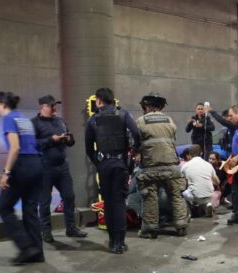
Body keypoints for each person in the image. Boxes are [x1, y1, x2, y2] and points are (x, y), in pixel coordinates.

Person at [85, 88, 141, 254]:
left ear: (99, 101)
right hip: (120, 163)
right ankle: (120, 242)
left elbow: (88, 147)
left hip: (104, 165)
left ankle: (112, 241)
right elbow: (136, 134)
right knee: (119, 202)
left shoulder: (93, 119)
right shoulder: (123, 114)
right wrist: (133, 152)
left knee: (108, 203)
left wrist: (98, 162)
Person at [0, 91, 45, 264]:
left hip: (22, 166)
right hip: (36, 165)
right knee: (30, 209)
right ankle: (37, 252)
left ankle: (26, 247)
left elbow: (15, 148)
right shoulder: (24, 118)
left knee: (4, 207)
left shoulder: (9, 119)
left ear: (2, 104)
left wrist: (6, 173)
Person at [31, 94, 87, 243]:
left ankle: (71, 228)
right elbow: (32, 144)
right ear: (42, 107)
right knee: (44, 202)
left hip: (62, 167)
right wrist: (51, 140)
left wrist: (69, 139)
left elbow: (70, 142)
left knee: (69, 197)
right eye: (51, 105)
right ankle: (46, 232)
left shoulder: (60, 121)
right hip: (44, 168)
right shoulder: (34, 123)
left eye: (55, 105)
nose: (55, 108)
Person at [134, 92, 188, 239]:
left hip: (151, 167)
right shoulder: (169, 120)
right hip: (171, 166)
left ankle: (150, 230)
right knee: (176, 195)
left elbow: (135, 142)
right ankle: (181, 226)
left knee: (150, 197)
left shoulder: (140, 121)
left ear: (146, 106)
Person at [181, 144, 218, 217]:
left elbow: (181, 181)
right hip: (209, 195)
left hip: (195, 196)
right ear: (201, 153)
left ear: (190, 154)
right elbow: (217, 182)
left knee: (182, 193)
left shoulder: (185, 166)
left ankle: (188, 212)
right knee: (205, 197)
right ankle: (207, 205)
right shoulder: (208, 164)